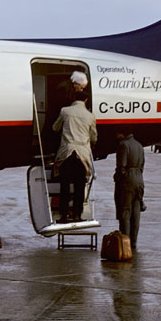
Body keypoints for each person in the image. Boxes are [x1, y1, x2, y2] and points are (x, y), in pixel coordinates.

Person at [51, 86, 98, 223]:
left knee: (64, 186)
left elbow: (55, 128)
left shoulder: (65, 111)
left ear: (73, 99)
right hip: (82, 154)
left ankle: (64, 215)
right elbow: (94, 136)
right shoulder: (90, 116)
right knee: (79, 186)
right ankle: (77, 214)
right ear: (86, 100)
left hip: (67, 152)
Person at [114, 132, 145, 250]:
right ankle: (133, 243)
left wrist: (117, 177)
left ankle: (125, 242)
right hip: (139, 179)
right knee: (136, 213)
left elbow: (121, 166)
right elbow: (142, 166)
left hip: (127, 180)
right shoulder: (139, 146)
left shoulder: (123, 145)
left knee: (125, 212)